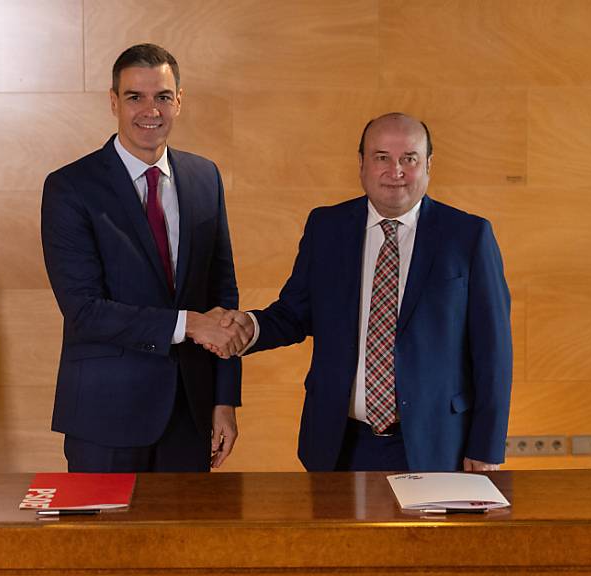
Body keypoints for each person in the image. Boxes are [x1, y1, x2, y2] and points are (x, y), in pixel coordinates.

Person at [216, 113, 512, 472]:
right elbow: (294, 314)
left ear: (428, 165)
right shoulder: (327, 227)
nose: (395, 171)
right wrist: (249, 327)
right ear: (361, 164)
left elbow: (493, 352)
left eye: (409, 159)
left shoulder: (468, 236)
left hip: (436, 444)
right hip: (339, 443)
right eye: (382, 157)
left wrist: (486, 446)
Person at [41, 44, 248, 472]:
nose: (150, 111)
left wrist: (224, 399)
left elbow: (223, 295)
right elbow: (84, 310)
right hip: (104, 414)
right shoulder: (70, 187)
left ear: (179, 101)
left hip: (190, 412)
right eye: (135, 96)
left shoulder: (204, 178)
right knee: (104, 522)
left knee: (186, 521)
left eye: (163, 97)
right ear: (114, 101)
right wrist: (189, 324)